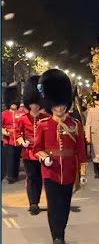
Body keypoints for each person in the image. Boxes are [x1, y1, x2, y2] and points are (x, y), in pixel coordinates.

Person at [33, 69, 88, 244]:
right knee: (53, 204)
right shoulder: (43, 125)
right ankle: (56, 236)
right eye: (56, 105)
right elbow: (37, 148)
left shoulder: (75, 125)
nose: (59, 108)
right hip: (50, 171)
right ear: (50, 105)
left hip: (69, 171)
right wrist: (45, 158)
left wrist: (83, 173)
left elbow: (80, 149)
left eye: (62, 105)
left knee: (64, 206)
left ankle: (61, 232)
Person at [16, 75, 49, 215]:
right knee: (32, 177)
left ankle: (42, 200)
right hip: (29, 152)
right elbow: (17, 135)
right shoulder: (23, 119)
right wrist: (22, 142)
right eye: (32, 104)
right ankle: (33, 203)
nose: (34, 106)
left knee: (42, 177)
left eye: (37, 104)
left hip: (41, 152)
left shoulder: (45, 119)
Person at [2, 84, 26, 183]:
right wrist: (4, 131)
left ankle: (15, 174)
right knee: (11, 157)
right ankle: (11, 175)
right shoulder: (4, 114)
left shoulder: (21, 113)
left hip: (20, 138)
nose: (14, 104)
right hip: (9, 139)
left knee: (17, 157)